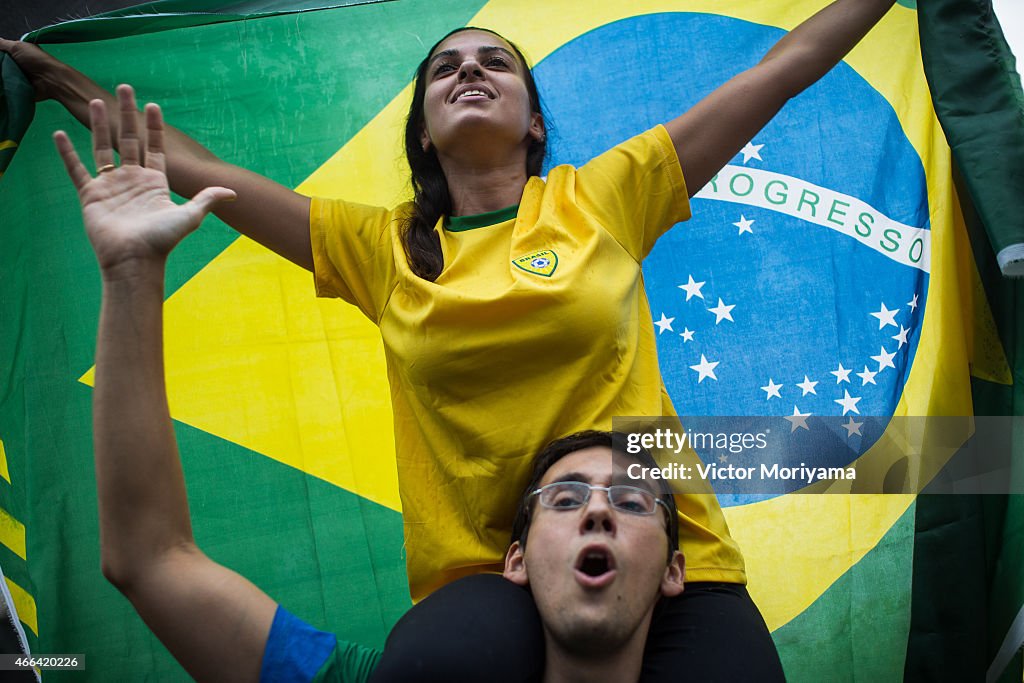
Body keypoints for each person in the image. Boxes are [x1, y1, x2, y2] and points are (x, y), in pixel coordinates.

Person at [5, 1, 895, 677]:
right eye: (446, 70)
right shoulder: (378, 246)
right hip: (484, 577)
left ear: (535, 121)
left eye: (495, 62)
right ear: (424, 130)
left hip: (668, 553)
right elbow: (195, 172)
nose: (470, 71)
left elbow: (781, 71)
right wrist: (57, 83)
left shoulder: (603, 198)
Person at [55, 100, 688, 680]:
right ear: (513, 562)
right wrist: (130, 272)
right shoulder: (387, 247)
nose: (599, 510)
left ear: (674, 570)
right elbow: (152, 558)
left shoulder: (597, 202)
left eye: (634, 502)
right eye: (566, 496)